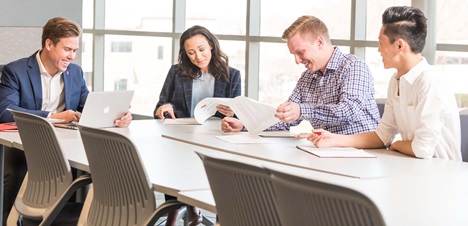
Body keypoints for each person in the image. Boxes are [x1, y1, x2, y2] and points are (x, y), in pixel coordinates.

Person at [0, 17, 132, 224]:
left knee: (95, 163)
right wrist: (54, 117)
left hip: (65, 142)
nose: (71, 56)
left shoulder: (74, 72)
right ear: (49, 44)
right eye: (67, 49)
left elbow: (88, 105)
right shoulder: (16, 70)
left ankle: (70, 219)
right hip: (23, 143)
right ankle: (8, 221)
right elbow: (7, 112)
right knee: (17, 168)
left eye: (75, 51)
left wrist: (117, 115)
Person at [308, 6, 462, 161]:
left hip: (443, 173)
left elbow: (422, 149)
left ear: (400, 46)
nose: (378, 50)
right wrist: (334, 139)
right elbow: (382, 136)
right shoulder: (396, 81)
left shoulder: (430, 80)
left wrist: (397, 145)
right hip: (414, 167)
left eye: (381, 43)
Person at [222, 15, 380, 135]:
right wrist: (244, 125)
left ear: (319, 42)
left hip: (361, 153)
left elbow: (348, 111)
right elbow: (286, 117)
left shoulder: (353, 66)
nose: (297, 60)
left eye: (300, 52)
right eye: (294, 54)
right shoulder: (308, 77)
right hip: (327, 152)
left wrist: (302, 110)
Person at [154, 25, 241, 226]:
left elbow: (237, 113)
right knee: (175, 160)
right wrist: (163, 108)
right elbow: (159, 107)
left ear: (211, 46)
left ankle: (196, 210)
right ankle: (175, 216)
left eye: (201, 50)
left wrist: (232, 113)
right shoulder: (177, 72)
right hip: (182, 137)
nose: (198, 57)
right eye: (191, 52)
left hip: (215, 139)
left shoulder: (232, 75)